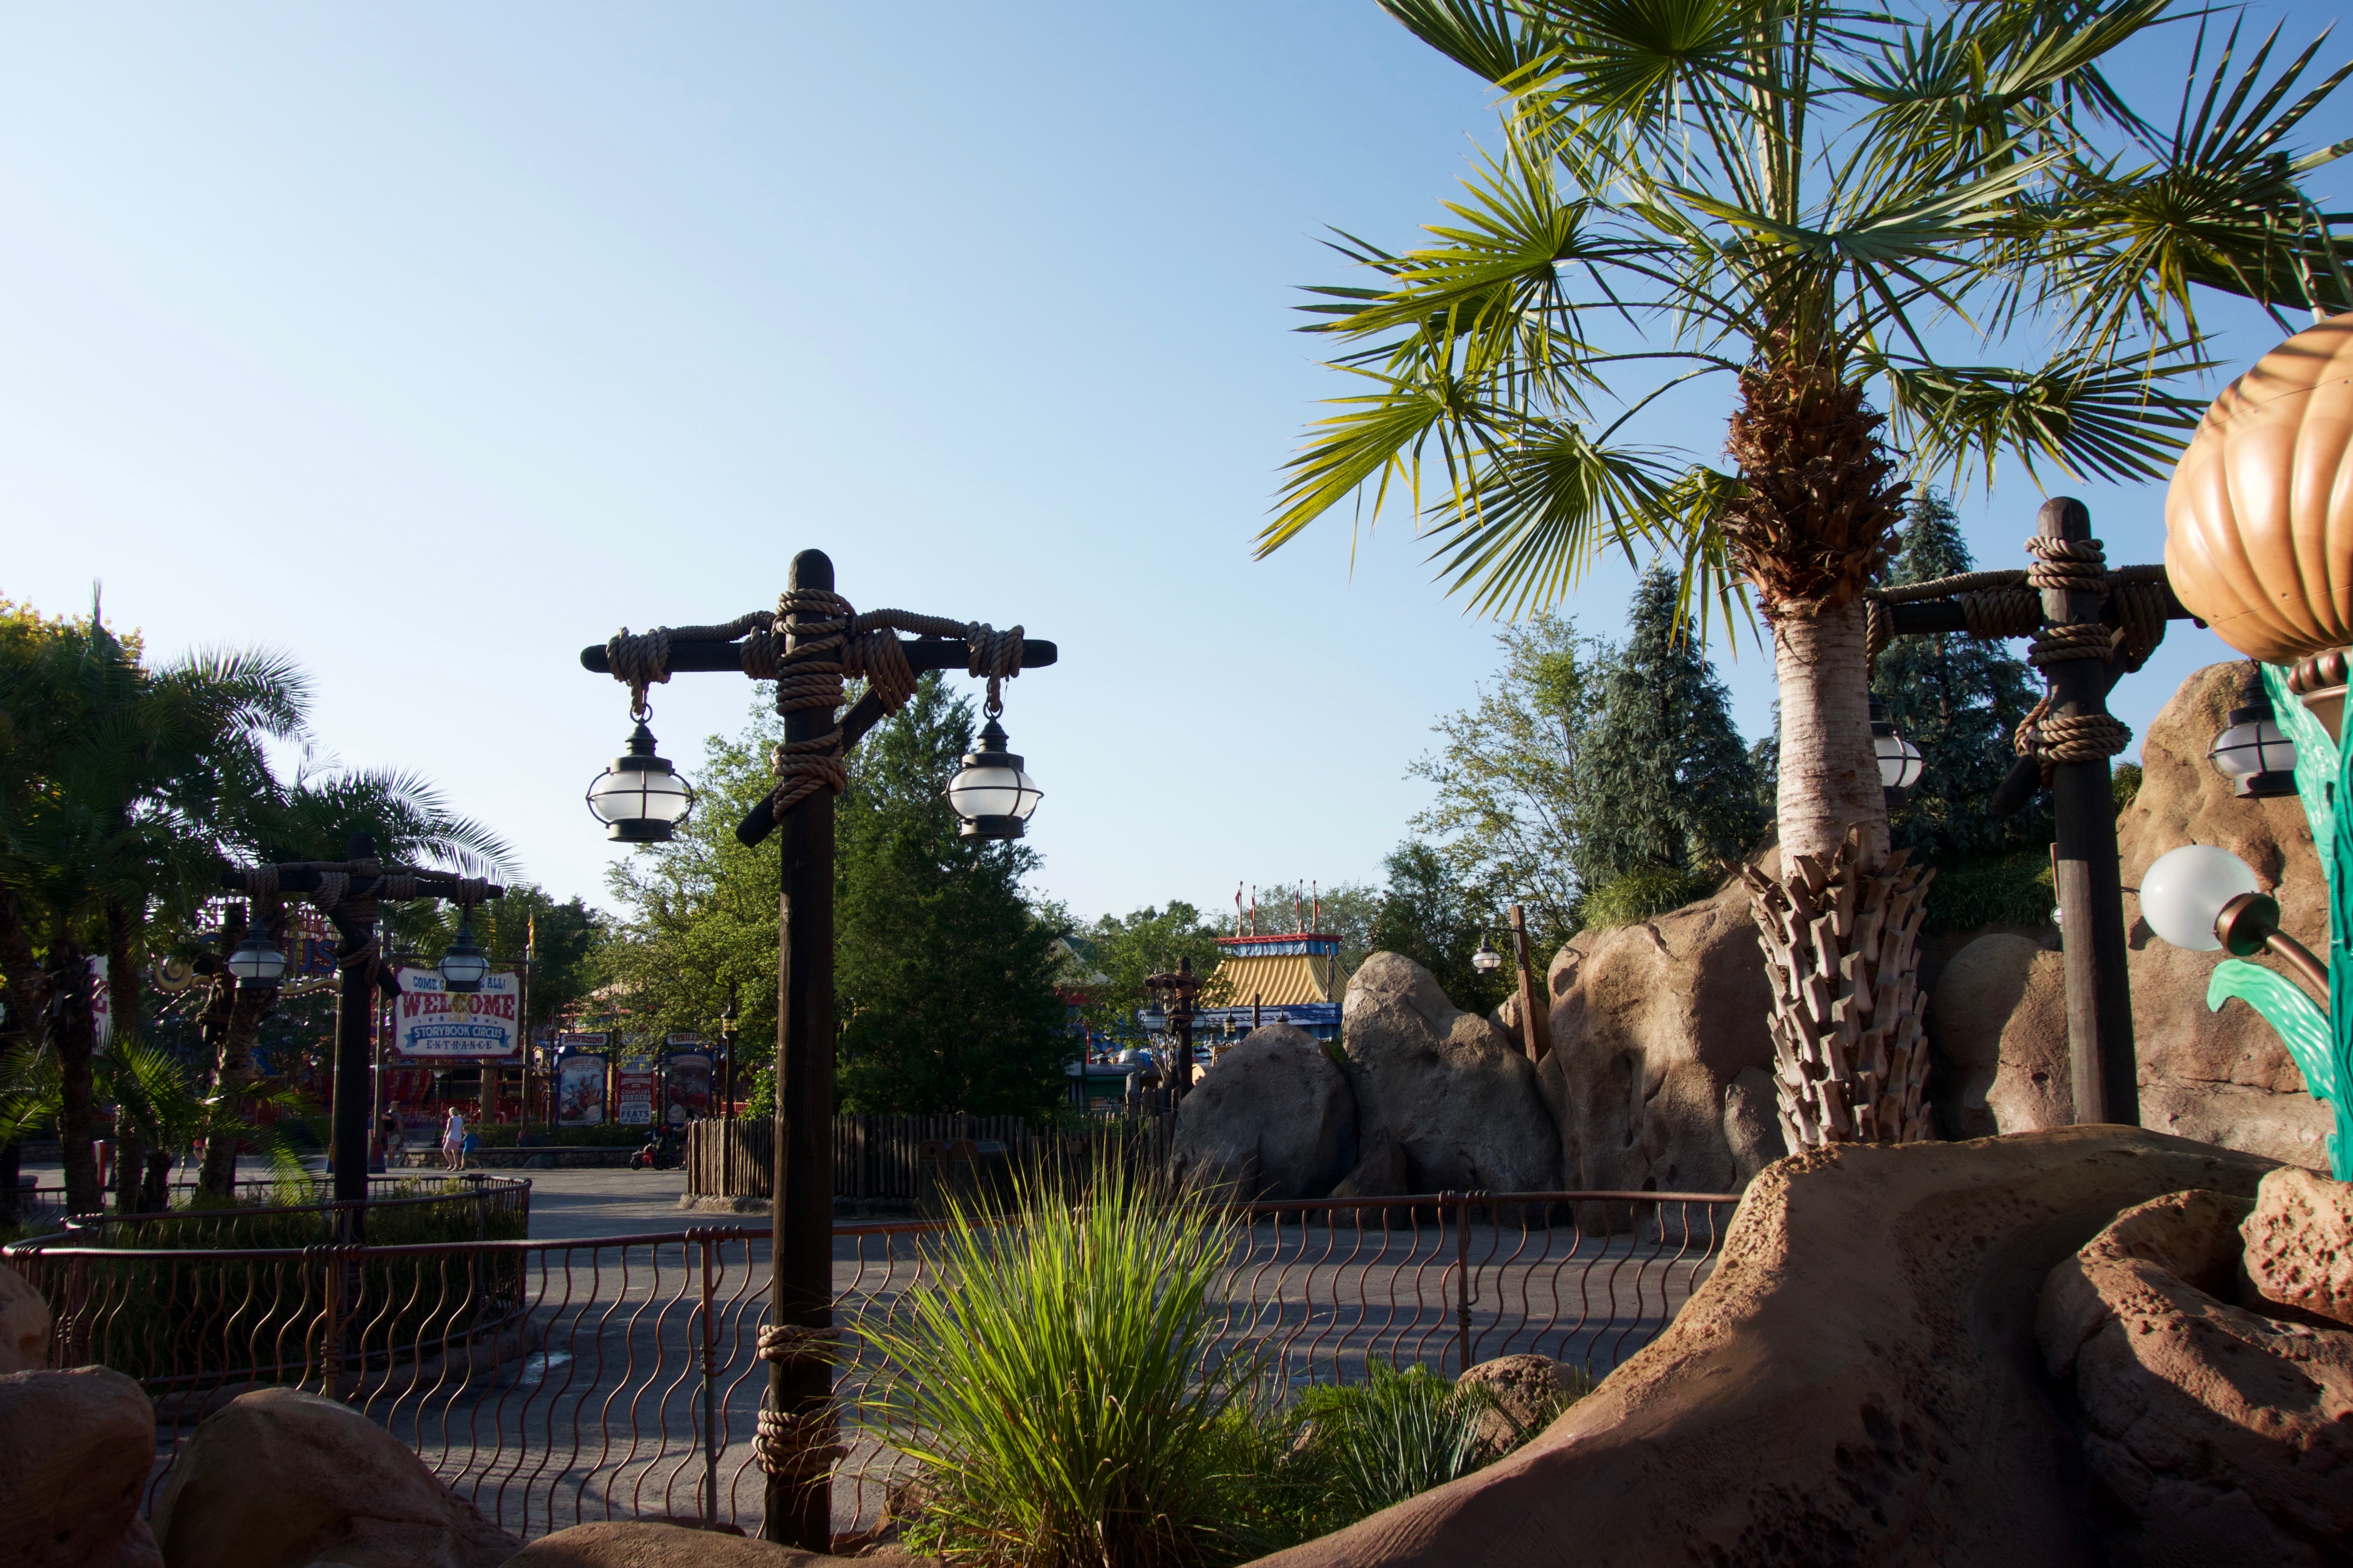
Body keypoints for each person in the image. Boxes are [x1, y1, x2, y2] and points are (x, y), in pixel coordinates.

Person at [442, 1107, 467, 1171]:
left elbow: (448, 1129)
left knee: (445, 1150)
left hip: (452, 1137)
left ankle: (451, 1164)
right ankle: (457, 1167)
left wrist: (444, 1137)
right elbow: (462, 1129)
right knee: (455, 1152)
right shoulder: (460, 1120)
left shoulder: (451, 1119)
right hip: (459, 1138)